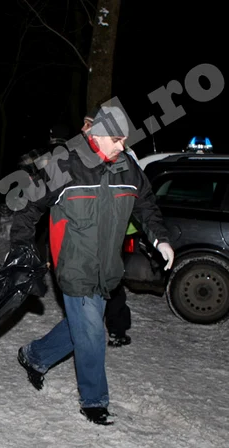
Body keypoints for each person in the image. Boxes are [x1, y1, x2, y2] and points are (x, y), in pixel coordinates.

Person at [13, 106, 175, 425]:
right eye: (116, 139)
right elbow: (29, 206)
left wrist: (160, 239)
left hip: (107, 267)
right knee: (91, 331)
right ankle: (94, 400)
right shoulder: (63, 166)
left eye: (125, 139)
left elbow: (146, 206)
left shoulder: (127, 167)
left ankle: (34, 356)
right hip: (73, 263)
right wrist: (21, 247)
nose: (122, 146)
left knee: (81, 328)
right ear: (95, 135)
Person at [83, 109, 136, 348]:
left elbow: (136, 194)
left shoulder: (122, 155)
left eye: (88, 125)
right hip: (95, 231)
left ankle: (117, 328)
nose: (83, 129)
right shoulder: (85, 153)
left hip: (122, 230)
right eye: (83, 125)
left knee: (113, 280)